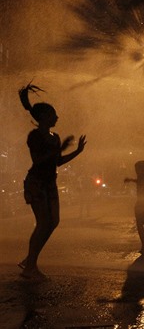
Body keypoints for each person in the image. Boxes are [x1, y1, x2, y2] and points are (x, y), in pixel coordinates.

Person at [17, 83, 87, 280]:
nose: (57, 117)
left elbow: (57, 162)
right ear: (44, 117)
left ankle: (30, 260)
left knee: (53, 221)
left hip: (49, 182)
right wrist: (60, 149)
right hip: (36, 182)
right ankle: (30, 266)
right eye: (54, 114)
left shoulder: (54, 137)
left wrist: (76, 152)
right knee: (43, 223)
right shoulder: (35, 136)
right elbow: (38, 161)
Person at [124, 160, 144, 254]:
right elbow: (139, 182)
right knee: (142, 222)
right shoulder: (143, 177)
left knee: (143, 222)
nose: (136, 171)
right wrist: (131, 180)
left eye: (138, 169)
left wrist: (131, 180)